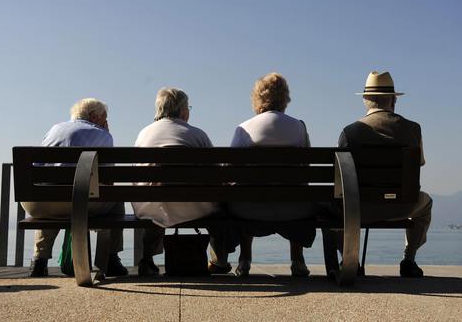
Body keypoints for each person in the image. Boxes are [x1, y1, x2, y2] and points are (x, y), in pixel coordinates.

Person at [209, 72, 317, 277]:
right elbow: (307, 169)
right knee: (297, 190)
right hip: (294, 209)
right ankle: (297, 260)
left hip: (249, 209)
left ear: (257, 98)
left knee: (242, 190)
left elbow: (229, 169)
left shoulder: (244, 129)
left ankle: (244, 259)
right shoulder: (299, 128)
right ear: (285, 98)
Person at [335, 71, 432, 277]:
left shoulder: (350, 132)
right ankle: (409, 259)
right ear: (393, 100)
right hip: (403, 205)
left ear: (365, 100)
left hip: (359, 208)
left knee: (336, 206)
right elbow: (418, 164)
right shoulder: (413, 129)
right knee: (426, 203)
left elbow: (341, 178)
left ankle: (349, 259)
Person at [22, 98, 128, 278]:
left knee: (51, 195)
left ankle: (39, 261)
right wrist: (105, 133)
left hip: (36, 203)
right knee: (116, 198)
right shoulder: (102, 134)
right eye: (104, 117)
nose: (106, 122)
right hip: (78, 204)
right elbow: (108, 179)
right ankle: (111, 259)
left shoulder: (55, 129)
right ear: (94, 116)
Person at [132, 87, 218, 276]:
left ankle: (147, 259)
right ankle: (218, 258)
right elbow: (215, 173)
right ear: (182, 111)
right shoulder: (197, 134)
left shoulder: (144, 134)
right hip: (195, 207)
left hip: (151, 206)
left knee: (155, 205)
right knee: (219, 201)